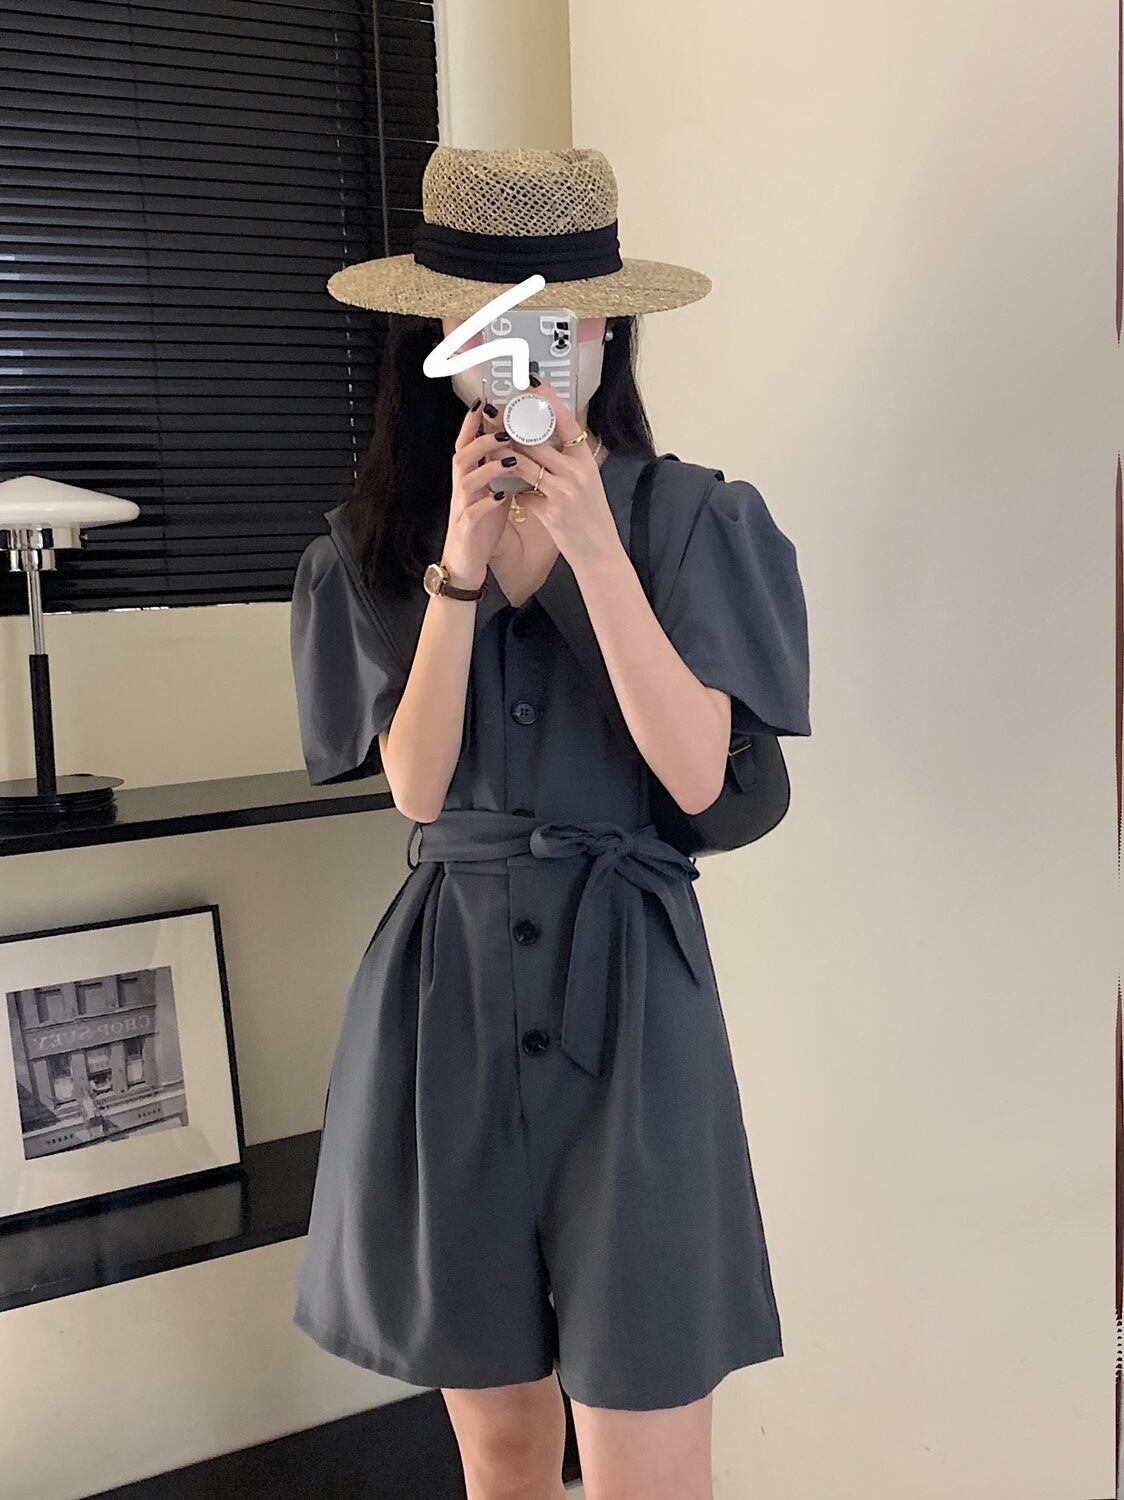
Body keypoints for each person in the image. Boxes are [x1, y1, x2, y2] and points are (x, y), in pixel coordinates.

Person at [289, 145, 811, 1500]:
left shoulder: (694, 518)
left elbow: (699, 777)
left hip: (630, 996)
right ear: (442, 344)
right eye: (496, 326)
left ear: (605, 335)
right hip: (449, 995)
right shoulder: (377, 546)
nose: (529, 357)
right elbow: (416, 789)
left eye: (558, 325)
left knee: (650, 1454)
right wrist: (460, 569)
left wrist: (591, 547)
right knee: (506, 1451)